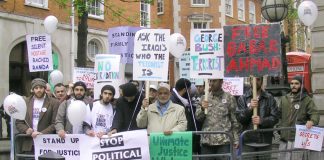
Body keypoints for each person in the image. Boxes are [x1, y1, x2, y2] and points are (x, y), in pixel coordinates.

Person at [196, 79, 240, 160]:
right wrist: (202, 108)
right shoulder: (204, 98)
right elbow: (198, 118)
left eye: (214, 81)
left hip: (224, 141)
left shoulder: (229, 98)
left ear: (221, 82)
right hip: (207, 141)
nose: (212, 83)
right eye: (210, 81)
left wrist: (236, 139)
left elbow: (235, 120)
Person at [236, 77, 279, 160]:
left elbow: (275, 118)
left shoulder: (269, 98)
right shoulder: (243, 98)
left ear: (262, 81)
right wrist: (250, 108)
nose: (255, 82)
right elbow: (240, 118)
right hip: (248, 141)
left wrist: (262, 121)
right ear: (250, 80)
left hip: (265, 141)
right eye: (253, 79)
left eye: (258, 79)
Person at [278, 75, 320, 160]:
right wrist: (278, 127)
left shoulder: (307, 99)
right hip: (284, 138)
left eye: (296, 83)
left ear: (301, 85)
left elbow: (315, 113)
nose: (293, 85)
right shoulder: (284, 99)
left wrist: (312, 121)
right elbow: (278, 115)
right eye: (292, 83)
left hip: (297, 139)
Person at [16, 78, 60, 154]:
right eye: (36, 88)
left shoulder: (54, 102)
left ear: (45, 89)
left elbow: (55, 123)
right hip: (29, 142)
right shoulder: (25, 102)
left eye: (41, 88)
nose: (39, 90)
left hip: (46, 142)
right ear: (33, 90)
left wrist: (42, 133)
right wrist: (26, 130)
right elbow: (19, 122)